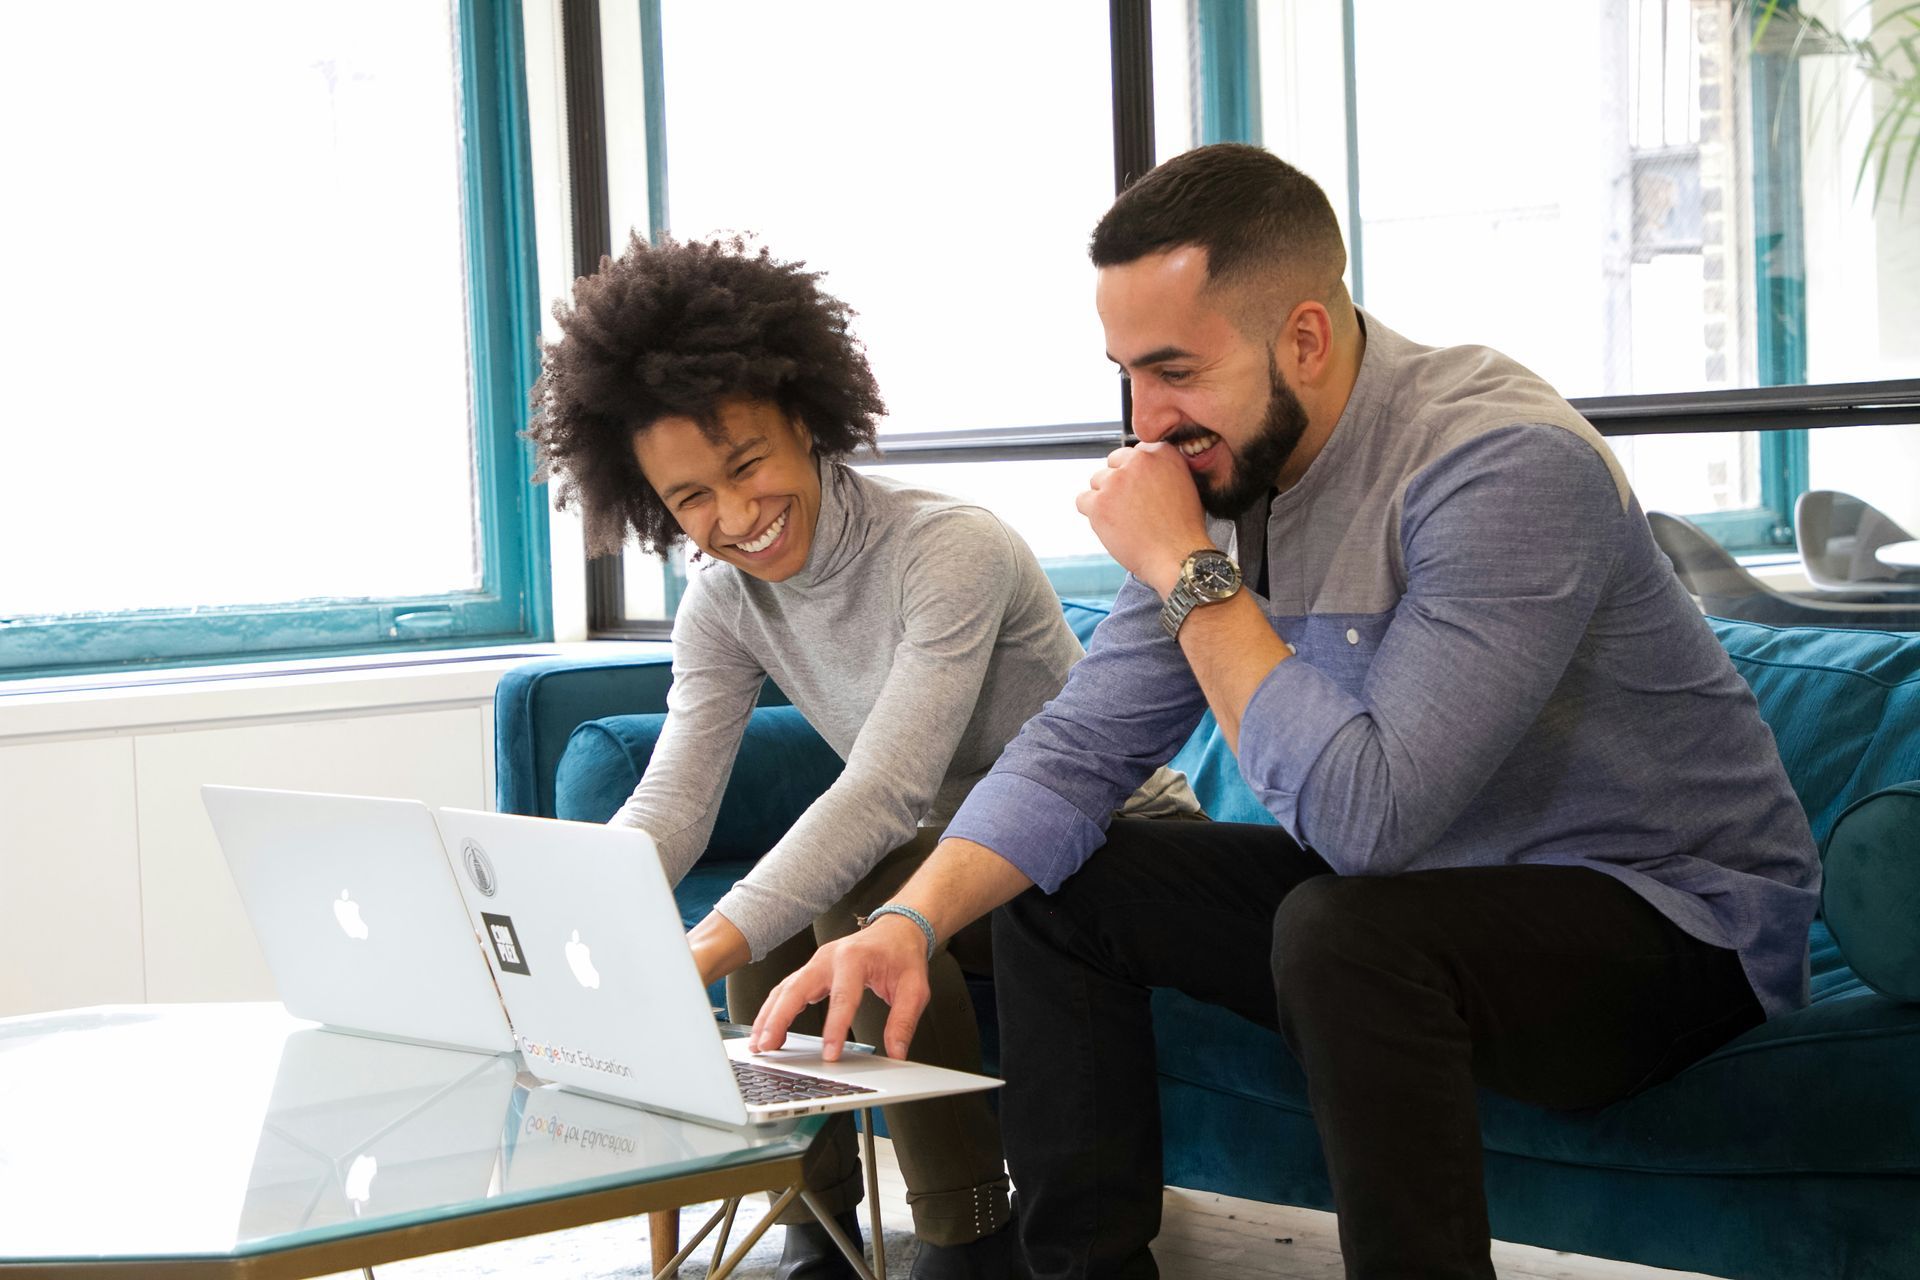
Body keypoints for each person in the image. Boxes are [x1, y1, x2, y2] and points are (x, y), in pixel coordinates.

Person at [749, 143, 1822, 1280]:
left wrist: (1184, 569)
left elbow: (1369, 823)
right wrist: (906, 924)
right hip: (1419, 902)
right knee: (1066, 887)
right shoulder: (1220, 474)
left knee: (1342, 928)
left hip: (1670, 925)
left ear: (1305, 336)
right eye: (1125, 373)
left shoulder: (1502, 463)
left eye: (1175, 370)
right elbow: (1074, 750)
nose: (1146, 419)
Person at [525, 233, 1195, 1280]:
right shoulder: (722, 601)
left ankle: (967, 1235)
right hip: (955, 869)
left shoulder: (947, 549)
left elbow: (887, 790)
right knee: (797, 902)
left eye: (746, 464)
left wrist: (700, 947)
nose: (734, 515)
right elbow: (674, 799)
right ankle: (813, 1218)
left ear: (807, 420)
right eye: (692, 498)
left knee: (849, 889)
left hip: (1109, 845)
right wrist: (568, 910)